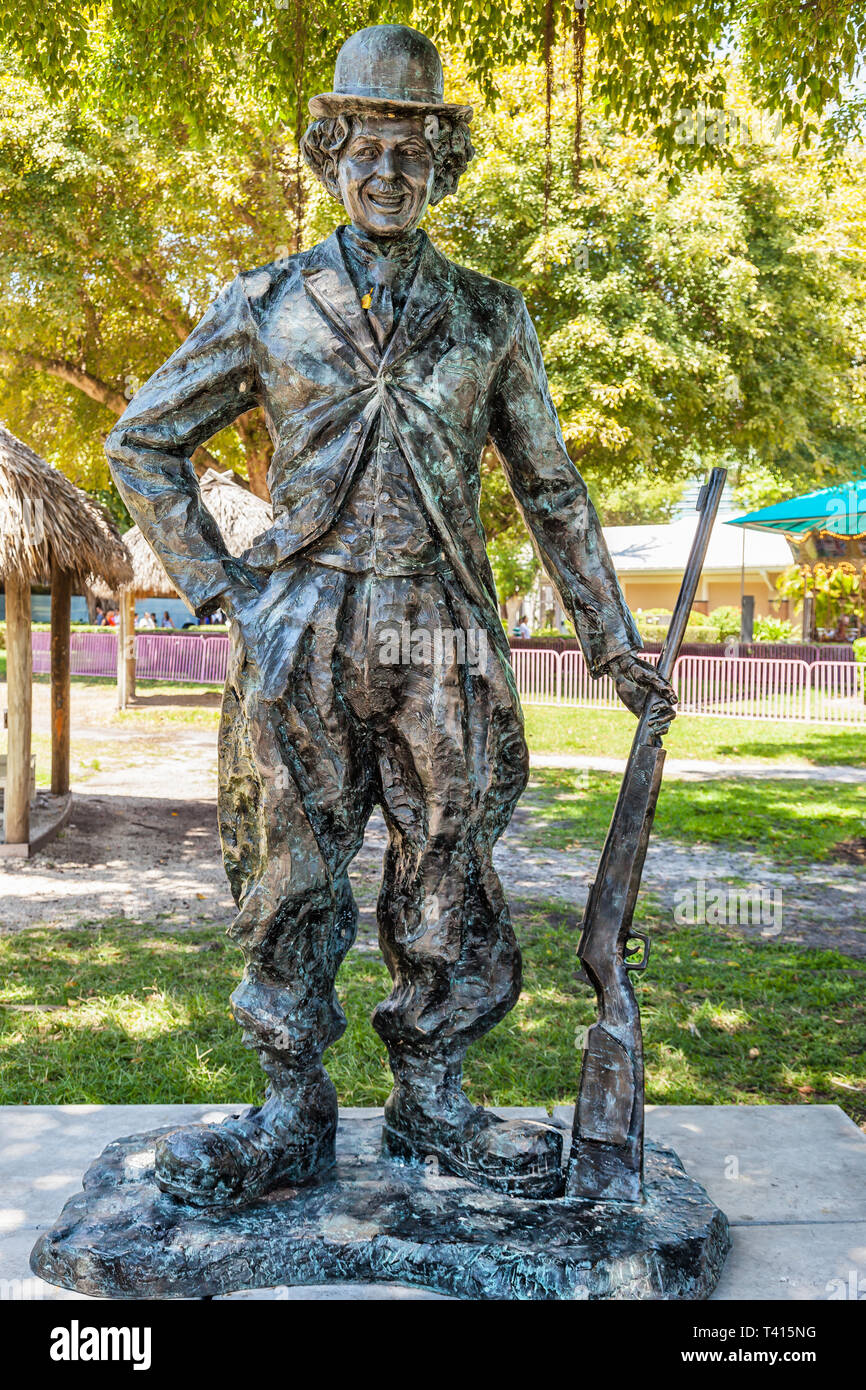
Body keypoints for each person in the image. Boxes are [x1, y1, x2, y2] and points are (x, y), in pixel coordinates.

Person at [105, 24, 676, 1209]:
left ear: (442, 169)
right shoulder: (263, 302)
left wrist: (607, 635)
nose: (385, 178)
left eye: (412, 160)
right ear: (330, 156)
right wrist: (223, 585)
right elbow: (144, 439)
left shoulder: (488, 315)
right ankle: (286, 1107)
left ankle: (433, 1100)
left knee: (448, 864)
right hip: (298, 619)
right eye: (365, 152)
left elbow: (549, 485)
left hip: (441, 629)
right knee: (287, 867)